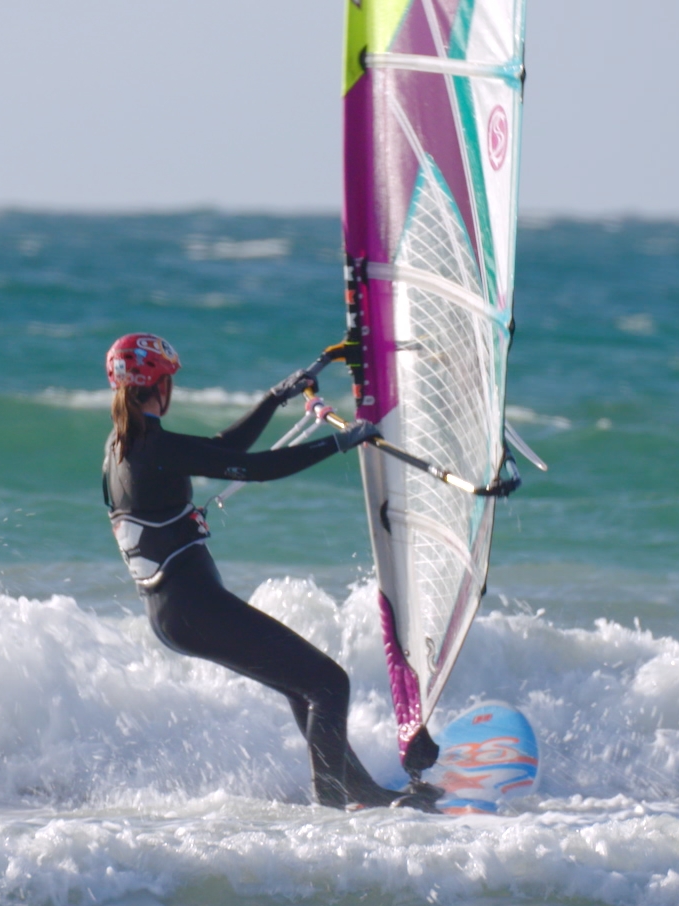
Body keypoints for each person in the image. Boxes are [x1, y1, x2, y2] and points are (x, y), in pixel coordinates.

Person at [100, 332, 438, 811]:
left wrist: (272, 401)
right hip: (192, 607)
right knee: (328, 684)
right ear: (159, 386)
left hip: (174, 613)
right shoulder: (153, 448)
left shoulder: (124, 446)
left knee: (307, 687)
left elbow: (222, 449)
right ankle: (332, 809)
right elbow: (253, 468)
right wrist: (339, 443)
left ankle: (358, 793)